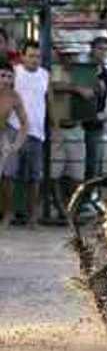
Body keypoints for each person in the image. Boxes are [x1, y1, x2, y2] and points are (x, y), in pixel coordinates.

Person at [6, 40, 53, 229]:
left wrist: (55, 127)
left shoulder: (44, 75)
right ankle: (9, 213)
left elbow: (50, 101)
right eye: (31, 55)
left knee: (35, 177)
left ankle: (32, 217)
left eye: (37, 56)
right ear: (22, 56)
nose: (35, 59)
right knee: (9, 174)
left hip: (36, 133)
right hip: (14, 130)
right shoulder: (15, 72)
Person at [51, 46, 93, 218]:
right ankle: (60, 208)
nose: (70, 58)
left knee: (77, 174)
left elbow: (93, 92)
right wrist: (75, 88)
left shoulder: (84, 73)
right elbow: (52, 86)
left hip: (76, 128)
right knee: (54, 173)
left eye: (73, 55)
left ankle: (70, 208)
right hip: (57, 128)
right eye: (66, 55)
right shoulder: (54, 70)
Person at [84, 34, 107, 182]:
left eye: (106, 49)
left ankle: (89, 199)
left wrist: (104, 115)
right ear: (92, 49)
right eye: (100, 48)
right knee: (72, 166)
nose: (103, 52)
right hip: (74, 125)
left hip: (95, 126)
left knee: (94, 164)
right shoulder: (81, 70)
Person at [0, 60, 29, 229]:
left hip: (4, 136)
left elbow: (25, 123)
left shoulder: (14, 96)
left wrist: (16, 145)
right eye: (2, 75)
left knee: (7, 177)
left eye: (9, 77)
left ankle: (8, 212)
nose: (5, 80)